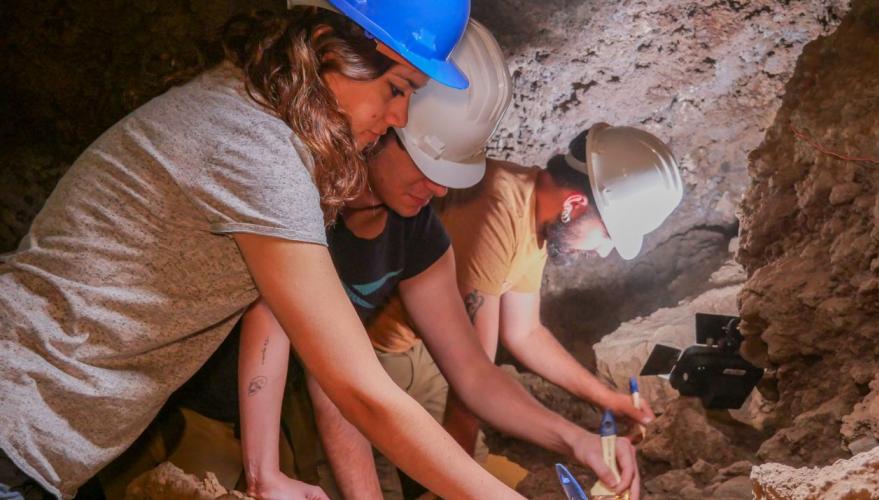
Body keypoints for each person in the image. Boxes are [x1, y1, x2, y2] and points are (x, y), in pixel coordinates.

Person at [0, 2, 523, 499]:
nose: (401, 115)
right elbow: (363, 392)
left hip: (36, 435)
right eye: (396, 89)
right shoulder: (258, 153)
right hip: (17, 418)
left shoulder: (248, 111)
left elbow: (270, 313)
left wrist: (265, 472)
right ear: (326, 47)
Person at [368, 121, 685, 476]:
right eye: (607, 235)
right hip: (368, 355)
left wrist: (609, 400)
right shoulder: (497, 208)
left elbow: (525, 333)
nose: (601, 251)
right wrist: (458, 483)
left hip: (422, 355)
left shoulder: (535, 213)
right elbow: (473, 379)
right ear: (576, 205)